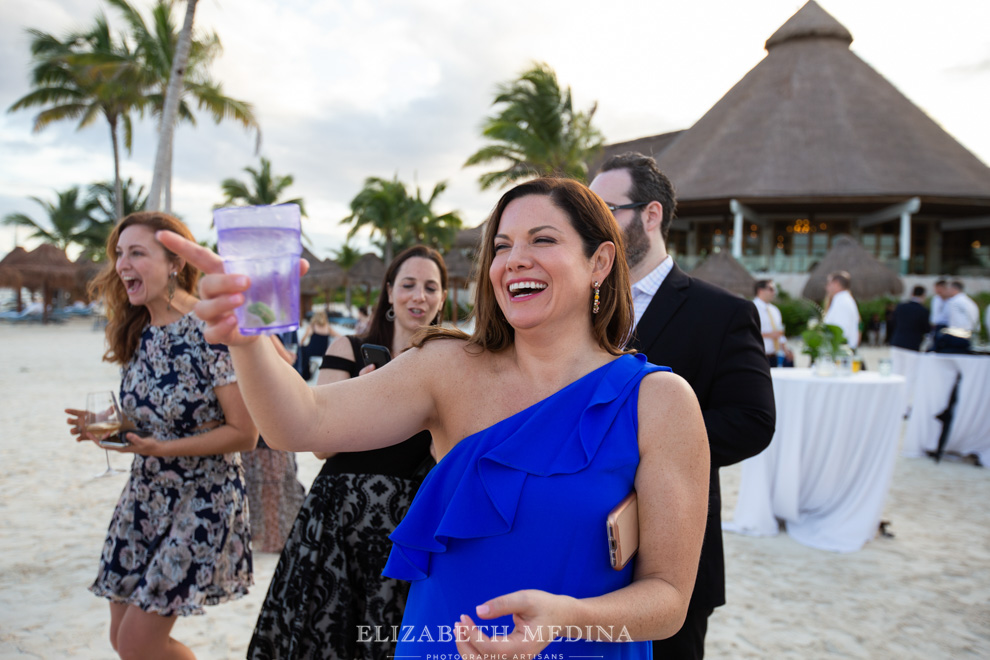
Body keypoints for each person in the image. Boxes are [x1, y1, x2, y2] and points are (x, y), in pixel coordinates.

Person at [161, 177, 710, 659]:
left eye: (543, 240)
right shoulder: (447, 367)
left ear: (600, 262)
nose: (514, 259)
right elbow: (302, 423)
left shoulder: (660, 402)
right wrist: (247, 339)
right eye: (501, 247)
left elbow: (668, 598)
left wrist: (570, 619)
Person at [589, 152, 775, 660]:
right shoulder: (578, 306)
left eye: (605, 211)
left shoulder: (723, 312)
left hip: (672, 546)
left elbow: (752, 422)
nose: (592, 226)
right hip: (576, 543)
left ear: (651, 215)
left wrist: (645, 444)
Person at [65, 211, 257, 659]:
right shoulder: (139, 330)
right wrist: (110, 428)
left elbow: (245, 433)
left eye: (136, 253)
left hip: (202, 499)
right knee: (121, 639)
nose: (121, 264)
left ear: (174, 263)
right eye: (118, 254)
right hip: (146, 496)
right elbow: (151, 421)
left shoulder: (211, 328)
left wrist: (162, 448)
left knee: (138, 642)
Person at [248, 245, 446, 659]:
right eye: (408, 285)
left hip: (409, 526)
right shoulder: (348, 348)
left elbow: (450, 456)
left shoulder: (452, 364)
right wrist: (368, 395)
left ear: (443, 297)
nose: (419, 296)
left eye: (431, 287)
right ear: (389, 292)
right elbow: (320, 442)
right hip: (340, 518)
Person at [752, 279, 793, 367]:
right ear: (760, 290)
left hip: (773, 356)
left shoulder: (774, 310)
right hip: (757, 356)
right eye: (771, 289)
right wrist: (769, 335)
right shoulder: (751, 308)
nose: (774, 292)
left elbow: (780, 333)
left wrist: (785, 350)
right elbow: (748, 333)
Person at [935, 280, 981, 353]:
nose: (947, 291)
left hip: (957, 336)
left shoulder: (955, 301)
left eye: (949, 289)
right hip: (967, 334)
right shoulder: (968, 301)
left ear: (954, 289)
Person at [823, 270, 861, 349]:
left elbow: (841, 332)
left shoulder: (842, 302)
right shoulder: (842, 299)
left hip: (841, 352)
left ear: (836, 284)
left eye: (829, 283)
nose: (826, 287)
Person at [298, 309, 339, 381]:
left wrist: (300, 344)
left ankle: (304, 374)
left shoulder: (312, 326)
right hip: (323, 352)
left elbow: (303, 339)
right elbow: (339, 336)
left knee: (301, 350)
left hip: (312, 351)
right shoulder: (328, 327)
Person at [890, 286, 931, 352]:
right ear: (923, 295)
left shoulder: (900, 306)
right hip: (912, 343)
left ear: (912, 294)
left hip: (897, 341)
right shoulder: (923, 310)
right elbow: (926, 328)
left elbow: (893, 322)